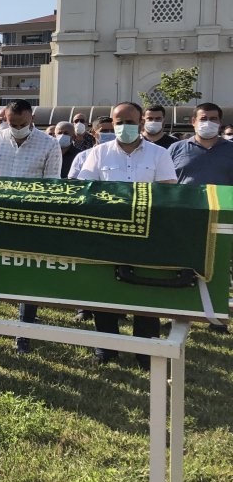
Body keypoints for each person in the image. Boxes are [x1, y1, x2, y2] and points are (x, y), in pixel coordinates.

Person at [77, 101, 177, 366]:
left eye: (130, 122)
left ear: (141, 123)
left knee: (145, 294)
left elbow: (168, 193)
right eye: (119, 122)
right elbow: (85, 191)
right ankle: (106, 350)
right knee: (104, 291)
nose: (124, 127)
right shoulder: (98, 154)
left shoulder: (159, 154)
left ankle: (145, 353)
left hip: (146, 236)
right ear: (112, 121)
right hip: (107, 234)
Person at [0, 99, 62, 353]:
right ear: (5, 119)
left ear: (31, 119)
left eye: (22, 124)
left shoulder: (49, 144)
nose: (17, 128)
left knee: (28, 279)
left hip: (31, 221)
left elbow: (51, 186)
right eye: (12, 124)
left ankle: (23, 336)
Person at [169, 103, 233, 334]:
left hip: (221, 219)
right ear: (193, 122)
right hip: (185, 218)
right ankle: (177, 313)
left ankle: (216, 319)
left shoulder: (230, 150)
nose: (209, 122)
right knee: (181, 266)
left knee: (219, 268)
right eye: (204, 118)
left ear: (220, 123)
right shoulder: (176, 149)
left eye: (214, 119)